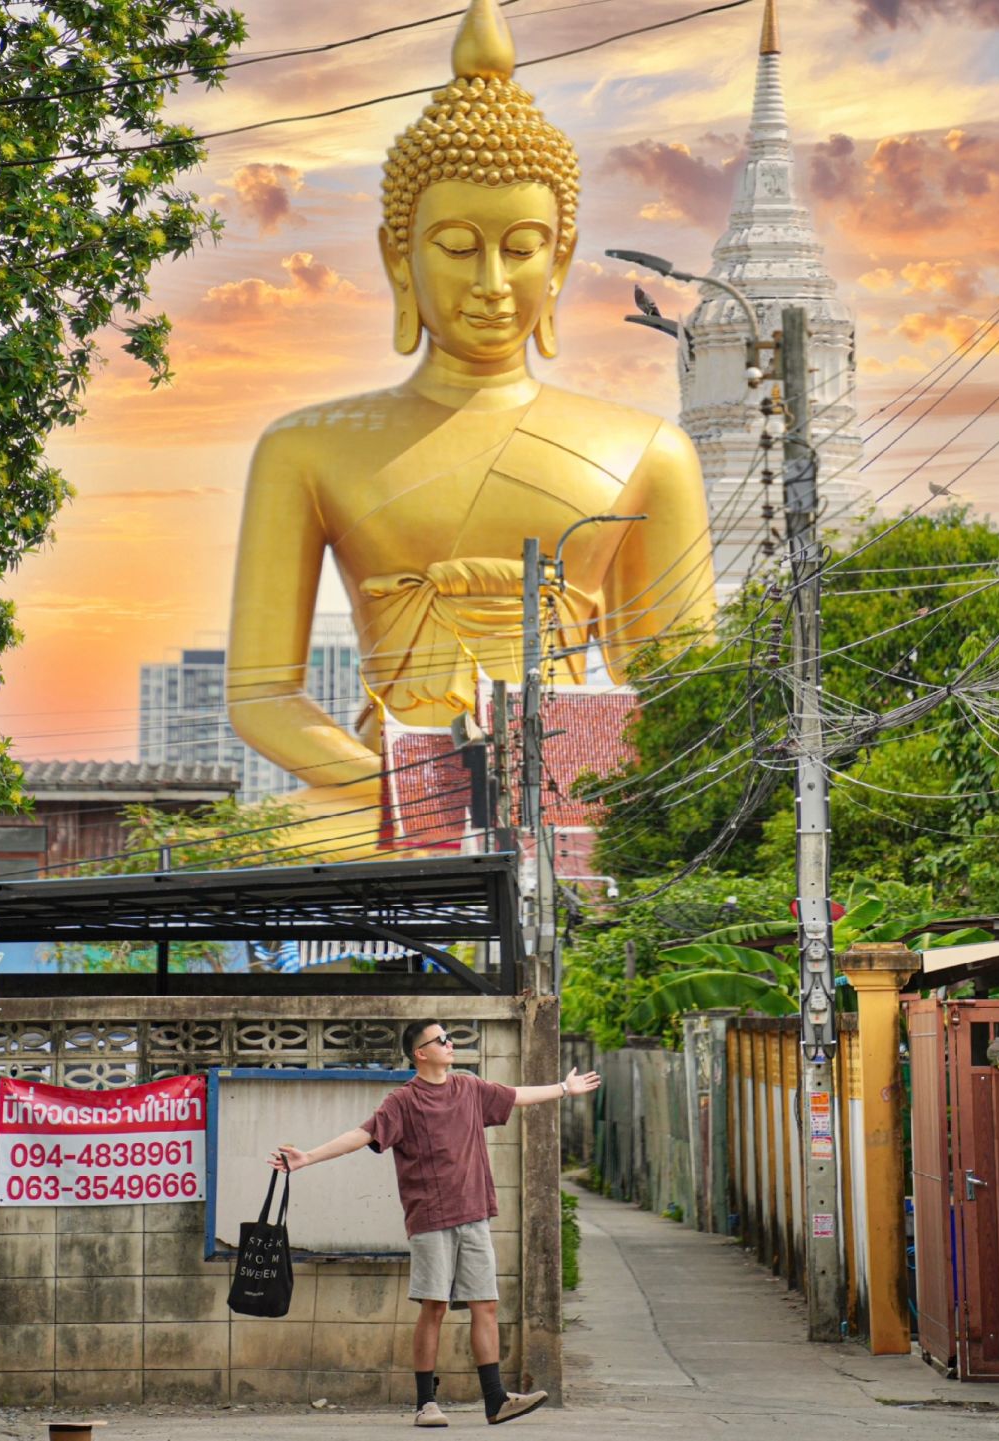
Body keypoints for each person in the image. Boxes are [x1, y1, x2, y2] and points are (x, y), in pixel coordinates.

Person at [226, 0, 715, 859]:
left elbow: (687, 693)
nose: (492, 282)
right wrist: (410, 795)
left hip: (571, 795)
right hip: (379, 791)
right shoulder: (306, 447)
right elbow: (262, 693)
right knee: (271, 842)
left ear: (559, 260)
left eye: (521, 246)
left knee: (666, 850)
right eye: (455, 245)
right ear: (397, 256)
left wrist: (582, 793)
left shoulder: (645, 451)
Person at [270, 1018, 601, 1427]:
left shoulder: (469, 1087)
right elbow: (362, 1135)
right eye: (441, 1039)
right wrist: (308, 1158)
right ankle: (426, 1403)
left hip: (475, 1212)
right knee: (435, 1306)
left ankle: (495, 1400)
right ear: (420, 1053)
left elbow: (516, 1096)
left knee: (486, 1304)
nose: (450, 1043)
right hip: (430, 1218)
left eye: (449, 1037)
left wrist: (564, 1089)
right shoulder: (403, 1101)